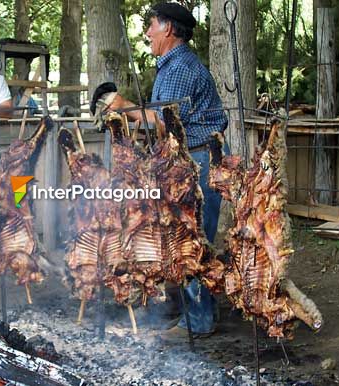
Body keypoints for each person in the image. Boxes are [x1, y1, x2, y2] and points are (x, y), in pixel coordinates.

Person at [91, 2, 228, 338]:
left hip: (196, 161)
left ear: (168, 28)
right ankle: (194, 309)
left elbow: (166, 121)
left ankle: (199, 322)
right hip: (187, 159)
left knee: (192, 240)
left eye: (152, 25)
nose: (148, 32)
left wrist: (123, 106)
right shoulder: (170, 66)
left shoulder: (180, 67)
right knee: (182, 238)